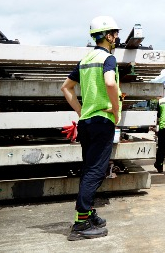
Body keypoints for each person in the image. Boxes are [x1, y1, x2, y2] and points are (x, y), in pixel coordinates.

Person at [61, 16, 121, 241]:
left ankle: (85, 213)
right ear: (107, 35)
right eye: (114, 33)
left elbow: (65, 88)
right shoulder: (108, 58)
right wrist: (115, 110)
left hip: (87, 122)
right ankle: (81, 224)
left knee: (89, 169)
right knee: (95, 171)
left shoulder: (85, 60)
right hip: (101, 122)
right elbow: (109, 83)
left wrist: (80, 111)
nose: (116, 37)